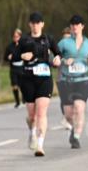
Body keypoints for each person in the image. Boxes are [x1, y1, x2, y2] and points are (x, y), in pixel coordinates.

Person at [17, 12, 61, 156]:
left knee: (41, 111)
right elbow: (14, 55)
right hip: (28, 79)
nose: (35, 25)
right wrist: (23, 56)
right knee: (32, 116)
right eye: (33, 23)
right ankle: (32, 132)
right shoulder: (24, 40)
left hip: (44, 78)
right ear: (30, 24)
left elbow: (58, 53)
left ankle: (40, 145)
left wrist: (57, 59)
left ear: (42, 24)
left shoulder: (49, 39)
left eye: (38, 22)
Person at [56, 15, 88, 149]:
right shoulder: (64, 43)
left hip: (83, 80)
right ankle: (72, 129)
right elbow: (54, 55)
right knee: (69, 113)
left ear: (82, 26)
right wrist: (62, 60)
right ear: (70, 27)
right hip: (66, 81)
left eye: (77, 24)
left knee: (79, 109)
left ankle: (76, 137)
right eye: (72, 25)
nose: (75, 27)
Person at [56, 26, 75, 131]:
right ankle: (65, 118)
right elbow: (53, 59)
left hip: (74, 78)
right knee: (64, 99)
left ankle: (68, 118)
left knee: (73, 99)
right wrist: (63, 61)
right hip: (61, 78)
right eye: (64, 38)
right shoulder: (59, 46)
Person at [4, 28, 24, 108]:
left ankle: (24, 97)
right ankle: (17, 102)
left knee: (22, 84)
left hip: (22, 67)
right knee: (14, 85)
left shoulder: (24, 46)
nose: (15, 38)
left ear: (20, 37)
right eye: (14, 37)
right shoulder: (9, 47)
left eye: (17, 36)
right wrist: (8, 57)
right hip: (13, 68)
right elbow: (4, 58)